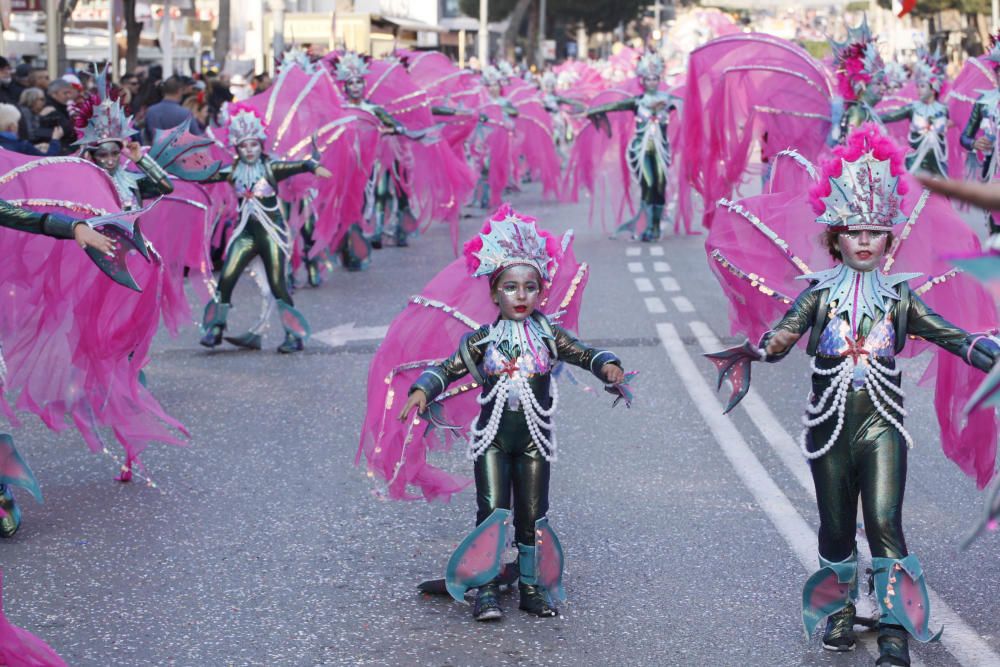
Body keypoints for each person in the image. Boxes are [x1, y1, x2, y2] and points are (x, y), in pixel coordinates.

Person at [706, 125, 1000, 667]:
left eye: (875, 232)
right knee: (836, 523)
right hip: (828, 427)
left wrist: (988, 352)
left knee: (885, 521)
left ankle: (893, 630)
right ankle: (839, 612)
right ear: (834, 236)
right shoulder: (817, 294)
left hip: (884, 426)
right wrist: (757, 349)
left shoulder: (902, 295)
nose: (864, 241)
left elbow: (950, 335)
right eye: (853, 232)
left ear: (890, 238)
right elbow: (782, 335)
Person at [387, 205, 628, 622]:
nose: (521, 296)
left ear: (540, 292)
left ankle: (533, 586)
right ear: (495, 291)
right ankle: (486, 587)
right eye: (512, 287)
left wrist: (607, 364)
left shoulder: (548, 334)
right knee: (493, 510)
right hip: (493, 440)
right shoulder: (483, 339)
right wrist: (424, 389)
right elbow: (447, 368)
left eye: (530, 287)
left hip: (535, 439)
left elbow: (584, 352)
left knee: (533, 512)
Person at [198, 105, 332, 353]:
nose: (250, 150)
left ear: (261, 145)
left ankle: (294, 335)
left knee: (278, 284)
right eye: (244, 146)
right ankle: (215, 329)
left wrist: (314, 166)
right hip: (245, 235)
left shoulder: (272, 168)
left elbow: (300, 165)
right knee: (226, 278)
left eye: (254, 145)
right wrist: (176, 171)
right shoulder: (233, 171)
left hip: (272, 234)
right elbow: (204, 176)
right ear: (237, 148)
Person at [584, 50, 680, 241]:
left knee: (660, 184)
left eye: (655, 78)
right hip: (641, 151)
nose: (652, 82)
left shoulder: (668, 100)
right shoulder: (637, 102)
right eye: (648, 78)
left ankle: (654, 227)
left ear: (658, 79)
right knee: (649, 183)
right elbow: (608, 107)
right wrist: (593, 112)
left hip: (661, 150)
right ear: (642, 81)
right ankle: (646, 224)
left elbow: (691, 105)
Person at [142, 76, 198, 144]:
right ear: (179, 90)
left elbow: (146, 136)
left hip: (155, 153)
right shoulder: (185, 113)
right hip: (179, 152)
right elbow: (196, 137)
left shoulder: (151, 111)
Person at [43, 79, 77, 154]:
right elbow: (66, 128)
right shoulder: (49, 108)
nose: (68, 96)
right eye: (65, 93)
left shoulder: (63, 106)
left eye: (69, 93)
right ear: (53, 94)